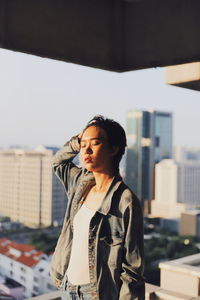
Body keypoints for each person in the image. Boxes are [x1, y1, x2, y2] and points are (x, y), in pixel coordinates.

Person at [50, 115, 145, 300]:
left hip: (96, 294)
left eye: (95, 143)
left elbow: (132, 268)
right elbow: (58, 163)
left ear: (114, 149)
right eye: (83, 144)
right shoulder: (80, 183)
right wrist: (78, 141)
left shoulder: (125, 201)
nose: (87, 150)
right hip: (67, 287)